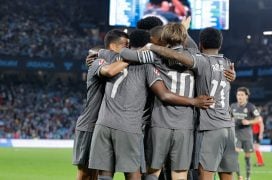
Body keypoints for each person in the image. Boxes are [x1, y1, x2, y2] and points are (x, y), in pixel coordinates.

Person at [88, 29, 214, 180]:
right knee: (134, 174)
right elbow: (163, 94)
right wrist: (194, 101)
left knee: (104, 175)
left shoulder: (109, 56)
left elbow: (97, 52)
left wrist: (96, 53)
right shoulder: (148, 65)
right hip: (129, 126)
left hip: (103, 124)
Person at [132, 25, 237, 180]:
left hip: (203, 127)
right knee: (191, 173)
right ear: (220, 45)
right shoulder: (227, 63)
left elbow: (176, 57)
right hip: (220, 126)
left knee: (155, 171)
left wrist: (150, 46)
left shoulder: (197, 60)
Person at [72, 29, 131, 180]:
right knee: (86, 174)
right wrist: (133, 57)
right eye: (125, 45)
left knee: (99, 174)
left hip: (106, 124)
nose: (128, 49)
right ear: (112, 46)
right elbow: (110, 71)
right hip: (90, 124)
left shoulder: (121, 65)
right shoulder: (100, 62)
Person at [230, 87, 262, 180]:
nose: (239, 97)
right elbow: (229, 117)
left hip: (247, 136)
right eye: (238, 95)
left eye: (241, 95)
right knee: (234, 155)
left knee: (247, 157)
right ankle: (239, 176)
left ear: (246, 96)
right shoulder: (233, 106)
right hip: (236, 135)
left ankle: (248, 177)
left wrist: (249, 122)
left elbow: (259, 118)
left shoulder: (250, 107)